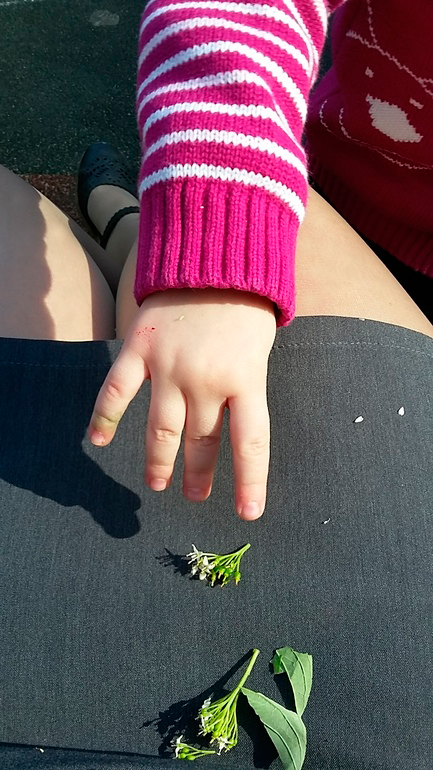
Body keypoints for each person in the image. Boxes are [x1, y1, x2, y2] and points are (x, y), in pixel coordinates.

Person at [1, 0, 432, 765]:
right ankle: (133, 225)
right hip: (327, 181)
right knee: (181, 294)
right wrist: (213, 247)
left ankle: (122, 224)